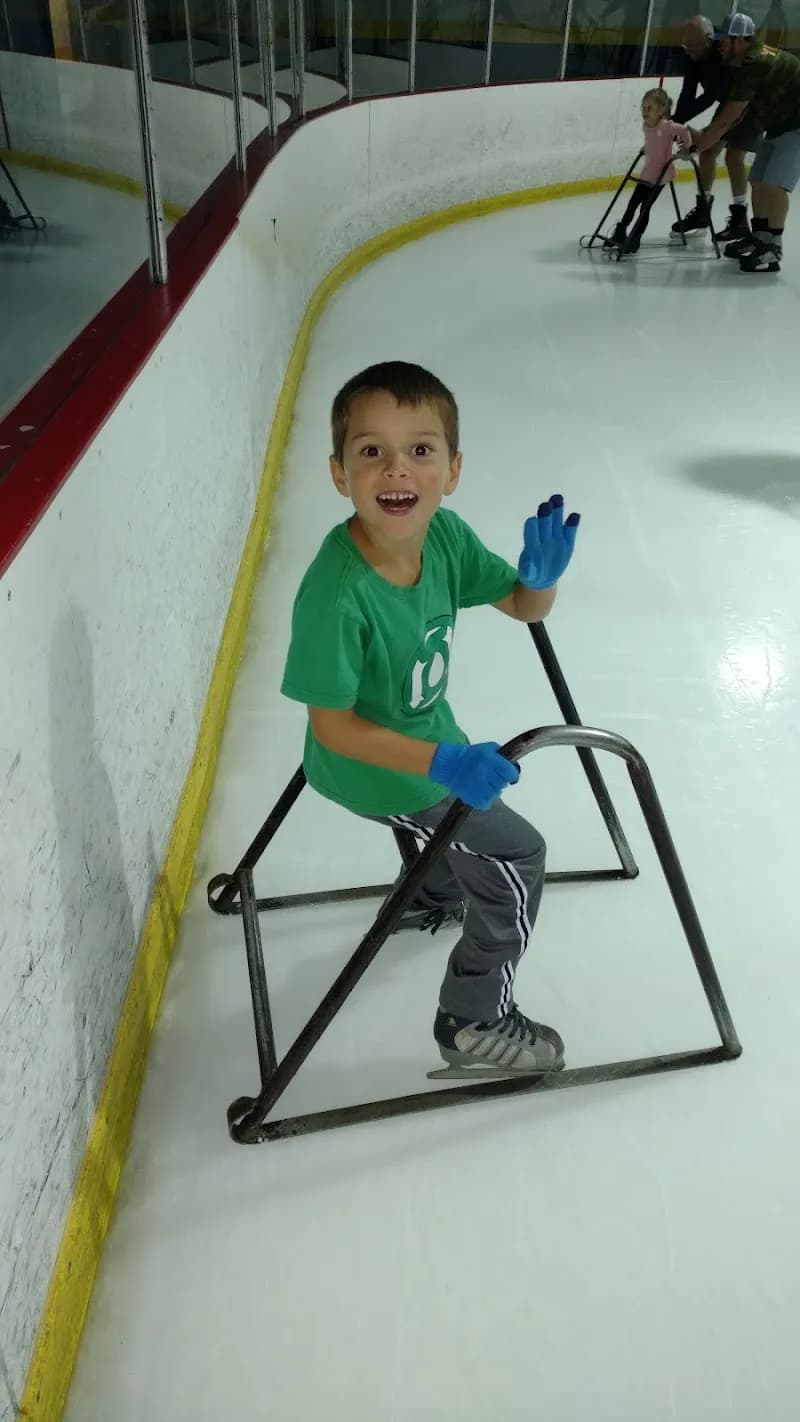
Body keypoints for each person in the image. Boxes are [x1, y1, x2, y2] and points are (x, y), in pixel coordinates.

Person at [280, 361, 580, 1078]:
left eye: (420, 450)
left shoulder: (442, 538)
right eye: (370, 451)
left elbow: (520, 607)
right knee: (516, 854)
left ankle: (432, 888)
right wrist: (442, 764)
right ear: (338, 472)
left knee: (461, 828)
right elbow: (333, 730)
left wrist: (539, 581)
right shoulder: (337, 595)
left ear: (452, 469)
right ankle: (472, 1017)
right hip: (376, 770)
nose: (397, 470)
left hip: (421, 745)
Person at [689, 12, 800, 271]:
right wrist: (706, 138)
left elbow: (728, 119)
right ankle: (761, 237)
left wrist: (699, 144)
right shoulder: (747, 62)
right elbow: (735, 116)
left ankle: (773, 246)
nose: (720, 45)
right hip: (778, 126)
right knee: (758, 180)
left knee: (774, 184)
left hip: (796, 126)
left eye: (724, 40)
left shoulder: (755, 64)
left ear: (740, 40)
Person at [671, 14, 764, 241]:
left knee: (733, 157)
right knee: (708, 153)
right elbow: (688, 93)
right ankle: (703, 211)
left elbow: (709, 96)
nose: (690, 53)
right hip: (728, 103)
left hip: (748, 104)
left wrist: (684, 126)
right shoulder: (692, 57)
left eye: (695, 48)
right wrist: (675, 122)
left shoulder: (721, 53)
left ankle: (740, 219)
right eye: (687, 48)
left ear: (708, 41)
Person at [606, 89, 691, 255]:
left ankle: (635, 239)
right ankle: (621, 232)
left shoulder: (666, 126)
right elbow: (653, 142)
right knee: (632, 205)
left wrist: (687, 149)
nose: (645, 112)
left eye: (649, 108)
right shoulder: (646, 126)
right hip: (647, 174)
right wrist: (646, 147)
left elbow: (684, 131)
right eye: (643, 108)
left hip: (660, 176)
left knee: (645, 208)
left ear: (660, 110)